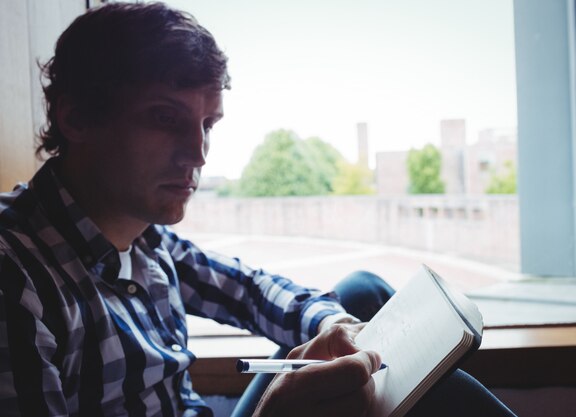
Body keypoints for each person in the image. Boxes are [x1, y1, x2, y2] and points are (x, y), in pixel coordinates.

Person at [0, 2, 516, 416]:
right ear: (76, 117)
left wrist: (341, 330)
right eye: (165, 118)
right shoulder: (16, 280)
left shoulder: (144, 237)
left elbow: (250, 290)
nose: (198, 154)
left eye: (206, 125)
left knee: (362, 297)